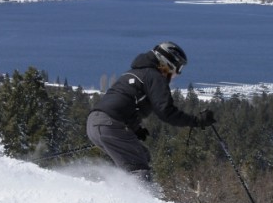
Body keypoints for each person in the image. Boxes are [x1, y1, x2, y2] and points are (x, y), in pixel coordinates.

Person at [86, 41, 216, 182]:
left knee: (141, 155)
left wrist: (135, 129)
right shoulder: (155, 76)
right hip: (110, 125)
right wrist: (197, 121)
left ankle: (117, 191)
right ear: (169, 63)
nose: (177, 74)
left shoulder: (135, 73)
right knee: (138, 167)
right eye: (178, 68)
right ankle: (143, 201)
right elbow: (166, 112)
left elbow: (124, 101)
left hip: (95, 123)